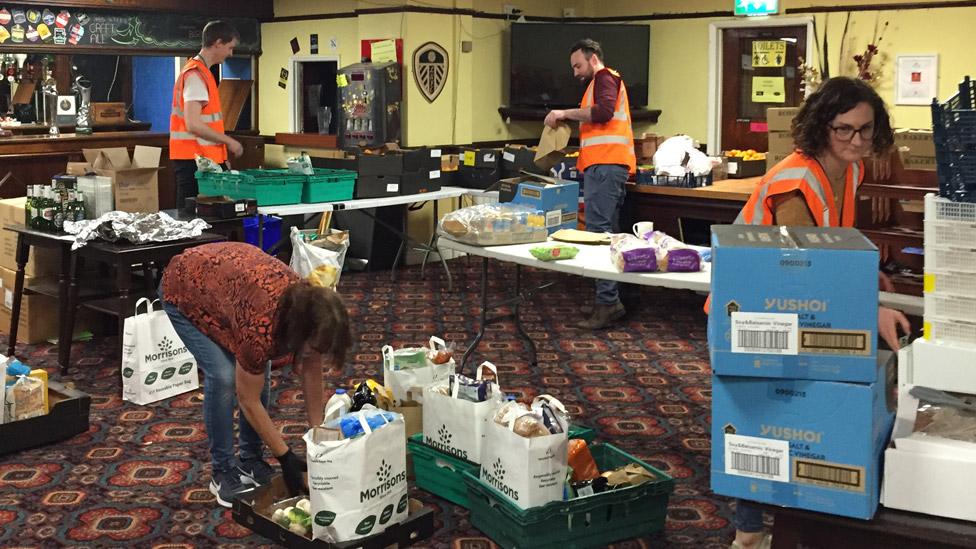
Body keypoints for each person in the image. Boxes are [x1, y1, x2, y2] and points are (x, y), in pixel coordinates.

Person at [724, 76, 911, 549]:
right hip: (753, 308)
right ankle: (748, 532)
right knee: (757, 413)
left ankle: (803, 515)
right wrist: (870, 309)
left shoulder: (850, 169)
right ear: (821, 127)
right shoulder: (795, 180)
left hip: (795, 307)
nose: (857, 141)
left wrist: (865, 277)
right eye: (844, 130)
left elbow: (834, 246)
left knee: (795, 408)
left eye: (866, 130)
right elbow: (805, 270)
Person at [159, 242, 352, 507]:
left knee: (257, 369)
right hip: (185, 286)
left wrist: (316, 439)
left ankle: (250, 459)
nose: (314, 355)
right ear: (297, 332)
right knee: (225, 376)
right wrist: (286, 458)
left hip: (228, 285)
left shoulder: (313, 311)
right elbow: (247, 398)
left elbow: (312, 372)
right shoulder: (262, 326)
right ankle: (222, 471)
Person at [544, 38, 637, 330]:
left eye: (578, 65)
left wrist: (564, 113)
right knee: (606, 234)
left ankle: (607, 303)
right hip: (607, 166)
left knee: (599, 235)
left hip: (607, 166)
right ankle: (608, 298)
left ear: (593, 58)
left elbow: (604, 112)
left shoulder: (604, 78)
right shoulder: (601, 81)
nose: (575, 72)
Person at [170, 20, 244, 212]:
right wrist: (229, 142)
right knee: (190, 221)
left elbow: (210, 124)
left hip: (204, 161)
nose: (231, 53)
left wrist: (221, 156)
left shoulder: (204, 73)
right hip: (193, 162)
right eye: (229, 47)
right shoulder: (195, 75)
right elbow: (193, 124)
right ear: (218, 43)